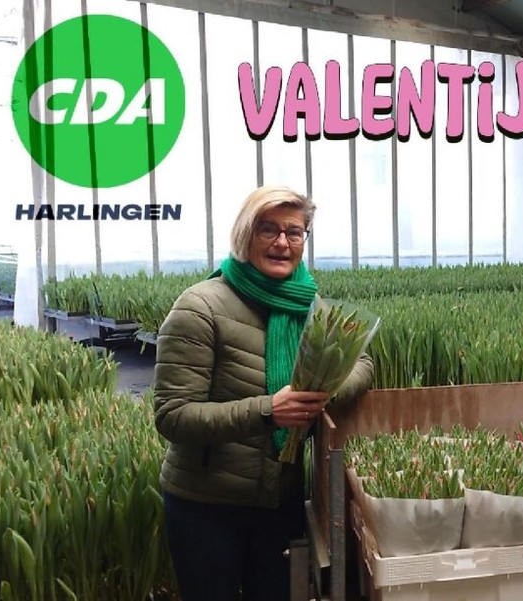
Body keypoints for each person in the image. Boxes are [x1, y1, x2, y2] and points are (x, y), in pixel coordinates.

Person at [154, 185, 375, 601]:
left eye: (294, 232)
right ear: (245, 235)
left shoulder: (307, 303)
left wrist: (319, 392)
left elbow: (362, 361)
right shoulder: (200, 307)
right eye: (268, 229)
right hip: (207, 507)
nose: (282, 243)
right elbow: (173, 415)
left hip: (279, 500)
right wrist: (269, 411)